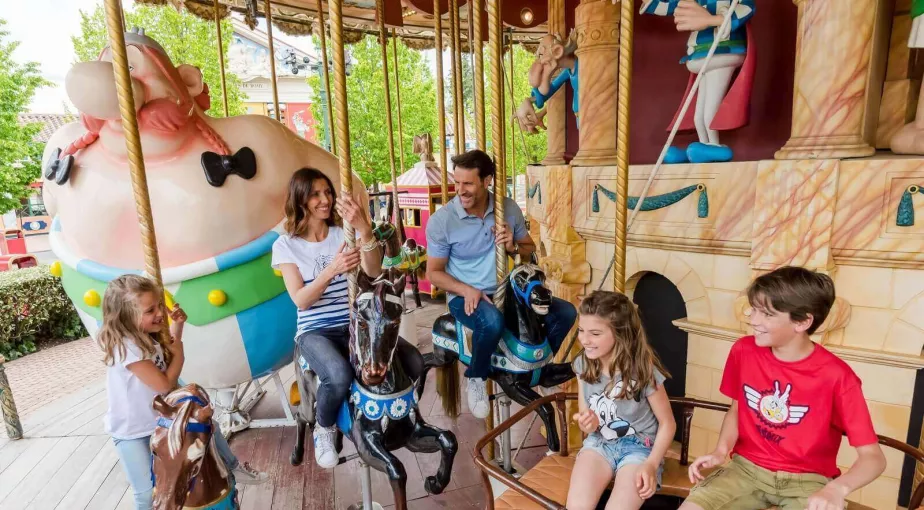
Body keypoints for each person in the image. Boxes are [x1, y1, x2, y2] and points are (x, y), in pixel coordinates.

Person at [683, 266, 886, 510]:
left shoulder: (838, 377)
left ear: (802, 321)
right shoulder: (743, 351)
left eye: (767, 314)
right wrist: (720, 450)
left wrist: (836, 489)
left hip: (808, 483)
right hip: (745, 470)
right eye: (755, 309)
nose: (753, 319)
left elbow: (873, 459)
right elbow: (737, 410)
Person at [272, 167, 424, 468]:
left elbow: (372, 272)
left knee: (414, 361)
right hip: (316, 330)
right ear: (300, 199)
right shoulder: (285, 245)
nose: (325, 199)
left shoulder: (345, 234)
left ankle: (399, 416)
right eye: (315, 194)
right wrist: (332, 269)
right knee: (338, 375)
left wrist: (364, 230)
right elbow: (302, 300)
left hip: (358, 325)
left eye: (327, 192)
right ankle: (324, 428)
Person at [425, 149, 577, 419]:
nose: (460, 190)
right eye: (457, 183)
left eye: (468, 183)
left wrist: (513, 245)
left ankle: (540, 366)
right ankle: (477, 376)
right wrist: (466, 289)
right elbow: (434, 273)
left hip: (505, 291)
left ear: (487, 181)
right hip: (465, 294)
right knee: (492, 321)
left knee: (566, 312)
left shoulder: (507, 208)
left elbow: (529, 251)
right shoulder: (442, 221)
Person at [99, 274, 266, 510]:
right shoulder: (126, 348)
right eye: (150, 310)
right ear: (126, 315)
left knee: (206, 425)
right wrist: (181, 353)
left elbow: (167, 354)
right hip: (133, 431)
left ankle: (232, 465)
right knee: (147, 493)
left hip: (163, 420)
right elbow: (165, 384)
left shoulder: (146, 336)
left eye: (159, 305)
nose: (159, 313)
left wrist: (177, 327)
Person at [567, 291, 676, 510]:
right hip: (599, 442)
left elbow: (668, 424)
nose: (584, 340)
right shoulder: (583, 364)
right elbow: (588, 418)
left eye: (595, 333)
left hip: (640, 448)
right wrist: (587, 423)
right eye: (581, 330)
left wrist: (651, 464)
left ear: (620, 334)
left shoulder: (644, 371)